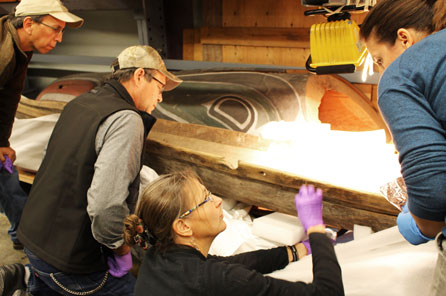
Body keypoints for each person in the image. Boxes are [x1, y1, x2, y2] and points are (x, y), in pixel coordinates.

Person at [2, 45, 182, 296]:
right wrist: (120, 249)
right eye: (160, 87)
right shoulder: (126, 120)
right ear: (140, 75)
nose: (160, 98)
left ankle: (28, 278)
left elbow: (51, 167)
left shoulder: (81, 102)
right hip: (69, 262)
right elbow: (105, 206)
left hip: (33, 240)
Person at [123, 170, 344, 296]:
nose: (218, 201)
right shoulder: (210, 279)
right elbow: (329, 293)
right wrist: (316, 229)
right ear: (183, 226)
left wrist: (295, 251)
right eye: (206, 199)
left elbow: (233, 264)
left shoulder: (158, 258)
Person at [359, 0, 446, 294]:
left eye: (380, 60)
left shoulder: (402, 75)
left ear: (404, 38)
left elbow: (434, 194)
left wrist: (418, 222)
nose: (382, 71)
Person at [0, 0, 83, 251]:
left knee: (6, 174)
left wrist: (2, 143)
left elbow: (9, 97)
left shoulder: (20, 48)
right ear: (28, 24)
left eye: (62, 31)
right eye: (55, 28)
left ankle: (25, 235)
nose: (58, 38)